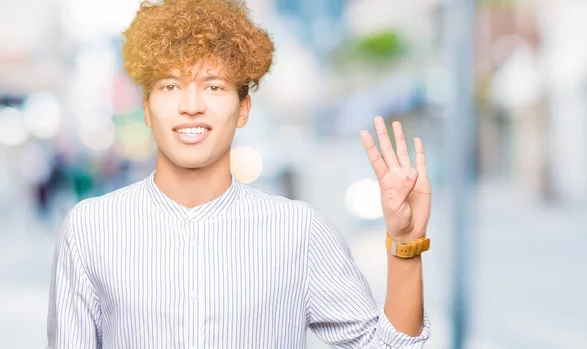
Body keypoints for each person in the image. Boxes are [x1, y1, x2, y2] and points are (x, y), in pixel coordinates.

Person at [45, 0, 432, 348]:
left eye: (213, 86)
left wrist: (406, 245)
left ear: (243, 109)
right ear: (147, 108)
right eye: (170, 86)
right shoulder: (89, 229)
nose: (191, 106)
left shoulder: (299, 231)